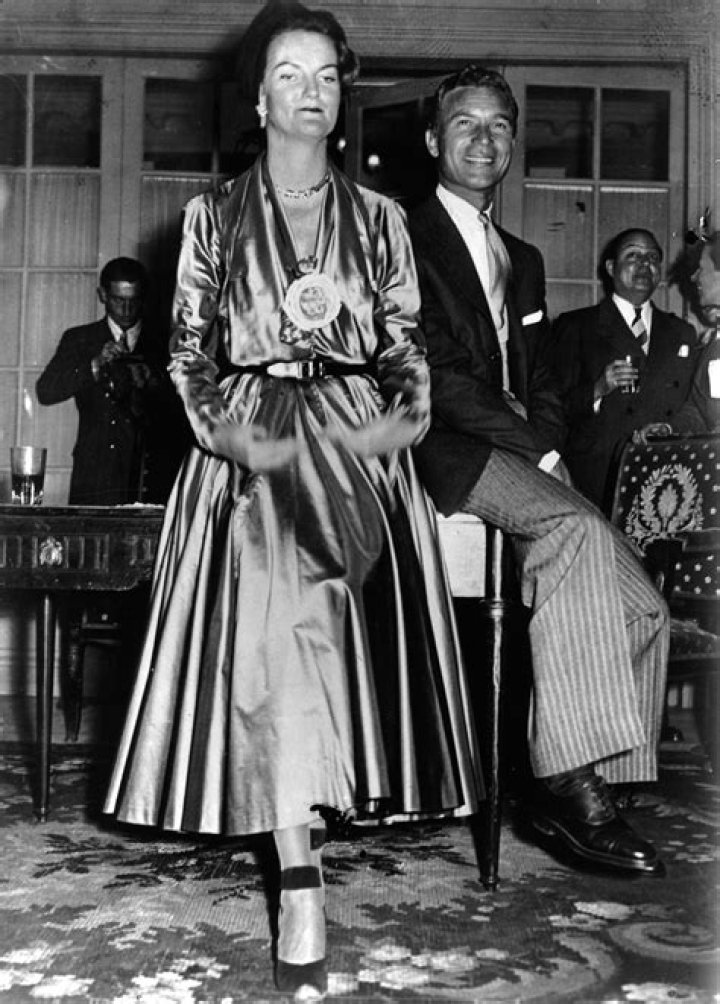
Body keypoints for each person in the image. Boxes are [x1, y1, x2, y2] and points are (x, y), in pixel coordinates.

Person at [104, 6, 482, 997]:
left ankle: (313, 814)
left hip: (357, 444)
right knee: (280, 614)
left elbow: (405, 349)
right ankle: (301, 877)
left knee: (325, 623)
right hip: (253, 439)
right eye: (289, 74)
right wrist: (230, 431)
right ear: (258, 98)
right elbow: (187, 352)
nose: (311, 91)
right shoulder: (211, 217)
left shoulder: (383, 218)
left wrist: (394, 426)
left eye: (326, 76)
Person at [408, 65, 669, 880]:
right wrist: (535, 446)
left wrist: (547, 437)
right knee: (572, 528)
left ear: (514, 142)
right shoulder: (399, 236)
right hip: (443, 448)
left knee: (645, 606)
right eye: (465, 123)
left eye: (499, 125)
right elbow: (433, 374)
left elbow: (546, 372)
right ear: (432, 139)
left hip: (521, 449)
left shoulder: (520, 257)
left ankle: (598, 776)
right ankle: (566, 784)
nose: (484, 139)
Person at [551, 229, 699, 509]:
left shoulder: (681, 332)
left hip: (664, 480)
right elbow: (552, 409)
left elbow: (693, 408)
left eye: (652, 257)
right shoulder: (576, 326)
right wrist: (597, 389)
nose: (644, 264)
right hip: (597, 481)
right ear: (611, 268)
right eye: (633, 255)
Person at [36, 256, 179, 506]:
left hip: (149, 477)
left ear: (144, 298)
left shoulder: (166, 342)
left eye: (133, 300)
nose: (126, 309)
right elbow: (46, 391)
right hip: (94, 476)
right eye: (118, 300)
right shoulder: (80, 339)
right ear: (102, 295)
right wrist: (94, 365)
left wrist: (155, 381)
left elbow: (186, 412)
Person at [636, 225, 720, 441]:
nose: (694, 278)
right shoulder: (714, 345)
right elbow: (699, 411)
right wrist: (669, 429)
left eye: (702, 269)